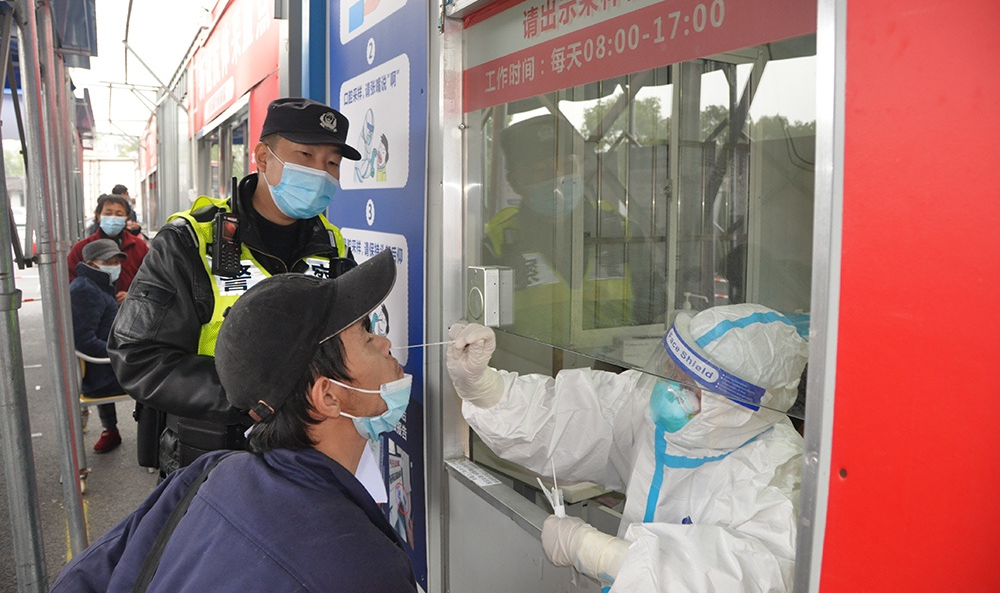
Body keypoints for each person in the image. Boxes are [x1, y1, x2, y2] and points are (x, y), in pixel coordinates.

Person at [51, 250, 417, 592]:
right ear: (329, 397)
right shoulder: (363, 567)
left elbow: (88, 574)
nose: (385, 343)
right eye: (367, 337)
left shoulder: (208, 473)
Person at [446, 303, 809, 592]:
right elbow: (571, 416)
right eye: (673, 370)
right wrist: (487, 390)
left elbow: (751, 575)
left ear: (739, 408)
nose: (669, 389)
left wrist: (597, 553)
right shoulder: (658, 411)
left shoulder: (780, 475)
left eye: (692, 387)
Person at [108, 97, 361, 477]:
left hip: (309, 453)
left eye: (332, 164)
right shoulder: (189, 241)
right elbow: (137, 356)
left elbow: (352, 339)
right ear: (262, 157)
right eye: (305, 155)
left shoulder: (333, 246)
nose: (320, 173)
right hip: (211, 459)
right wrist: (256, 398)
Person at [484, 114, 654, 343]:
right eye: (540, 170)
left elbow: (654, 314)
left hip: (615, 376)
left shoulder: (623, 235)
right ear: (515, 182)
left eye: (567, 165)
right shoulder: (497, 246)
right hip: (532, 375)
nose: (558, 178)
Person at [70, 239, 129, 453]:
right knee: (153, 377)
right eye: (108, 261)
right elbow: (83, 340)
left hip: (101, 370)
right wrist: (121, 354)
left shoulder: (96, 285)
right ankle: (152, 440)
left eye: (116, 261)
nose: (114, 266)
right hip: (102, 376)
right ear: (91, 263)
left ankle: (110, 431)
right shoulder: (85, 290)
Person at [69, 193, 149, 305]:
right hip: (94, 312)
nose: (113, 218)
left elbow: (151, 280)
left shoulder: (139, 246)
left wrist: (133, 294)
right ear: (98, 216)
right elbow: (69, 279)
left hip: (131, 312)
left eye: (119, 214)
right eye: (108, 213)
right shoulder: (82, 248)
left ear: (127, 218)